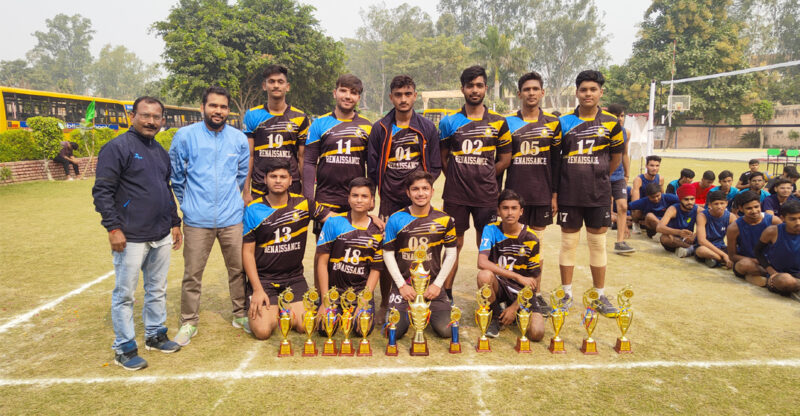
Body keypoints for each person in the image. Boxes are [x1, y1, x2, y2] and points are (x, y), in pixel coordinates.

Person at [92, 96, 183, 371]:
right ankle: (124, 347)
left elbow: (164, 189)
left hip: (160, 233)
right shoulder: (117, 147)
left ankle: (155, 335)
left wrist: (174, 221)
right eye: (145, 115)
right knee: (125, 294)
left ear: (162, 120)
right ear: (133, 115)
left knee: (157, 289)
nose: (151, 121)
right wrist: (113, 227)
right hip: (129, 235)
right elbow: (102, 191)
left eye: (156, 117)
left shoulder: (159, 151)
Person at [169, 86, 251, 346]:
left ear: (229, 110)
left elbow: (240, 175)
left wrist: (229, 201)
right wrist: (189, 206)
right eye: (213, 105)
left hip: (232, 219)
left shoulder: (237, 139)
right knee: (192, 274)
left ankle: (240, 314)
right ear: (202, 107)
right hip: (196, 221)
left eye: (223, 107)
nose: (218, 111)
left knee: (238, 270)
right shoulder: (185, 136)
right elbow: (176, 178)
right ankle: (189, 322)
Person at [366, 75, 440, 321]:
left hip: (417, 202)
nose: (403, 99)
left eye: (408, 94)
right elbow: (373, 167)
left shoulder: (428, 128)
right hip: (389, 201)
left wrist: (419, 193)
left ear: (415, 96)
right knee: (388, 248)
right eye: (398, 95)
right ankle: (386, 302)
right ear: (391, 98)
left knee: (419, 250)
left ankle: (423, 297)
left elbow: (435, 167)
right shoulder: (380, 128)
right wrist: (375, 200)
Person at [551, 70, 622, 316]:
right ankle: (566, 293)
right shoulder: (563, 123)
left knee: (597, 244)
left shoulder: (612, 122)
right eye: (583, 89)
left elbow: (616, 158)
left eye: (593, 89)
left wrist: (599, 174)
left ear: (601, 92)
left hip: (598, 194)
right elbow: (556, 159)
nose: (588, 94)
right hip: (570, 192)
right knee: (569, 243)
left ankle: (599, 296)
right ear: (577, 92)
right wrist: (556, 193)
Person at [439, 65, 511, 303]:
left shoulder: (499, 122)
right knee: (454, 245)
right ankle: (445, 294)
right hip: (456, 195)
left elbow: (506, 158)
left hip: (487, 195)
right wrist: (458, 176)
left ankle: (489, 298)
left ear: (486, 88)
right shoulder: (449, 122)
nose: (474, 90)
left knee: (486, 245)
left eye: (479, 85)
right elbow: (443, 157)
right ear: (463, 89)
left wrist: (487, 174)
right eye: (470, 85)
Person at [242, 159, 331, 340]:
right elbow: (247, 253)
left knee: (305, 326)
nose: (278, 180)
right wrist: (257, 289)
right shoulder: (253, 209)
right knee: (263, 331)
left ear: (291, 180)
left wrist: (369, 219)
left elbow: (336, 220)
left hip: (294, 278)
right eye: (273, 176)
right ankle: (271, 307)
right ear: (265, 179)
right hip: (264, 280)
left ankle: (283, 307)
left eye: (283, 177)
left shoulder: (304, 204)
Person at [503, 71, 561, 305]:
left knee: (536, 247)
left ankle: (534, 293)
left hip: (541, 195)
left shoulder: (553, 124)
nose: (531, 93)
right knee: (512, 246)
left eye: (535, 89)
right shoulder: (508, 123)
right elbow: (503, 158)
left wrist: (554, 195)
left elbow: (557, 162)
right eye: (526, 89)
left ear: (542, 92)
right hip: (514, 196)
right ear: (519, 94)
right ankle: (510, 291)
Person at [383, 171, 457, 339]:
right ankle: (409, 311)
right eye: (415, 189)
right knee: (393, 332)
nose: (421, 193)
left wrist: (438, 284)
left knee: (446, 331)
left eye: (425, 188)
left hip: (432, 287)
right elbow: (387, 254)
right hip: (405, 287)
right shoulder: (396, 219)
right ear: (408, 193)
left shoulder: (445, 219)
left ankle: (427, 312)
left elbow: (451, 253)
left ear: (432, 191)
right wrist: (401, 285)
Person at [303, 74, 372, 235]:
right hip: (326, 200)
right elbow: (309, 162)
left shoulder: (367, 126)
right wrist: (309, 199)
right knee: (323, 252)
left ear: (358, 97)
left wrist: (372, 195)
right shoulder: (319, 123)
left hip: (356, 199)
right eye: (343, 91)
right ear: (335, 93)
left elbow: (373, 166)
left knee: (352, 250)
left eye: (353, 93)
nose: (348, 96)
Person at [316, 177, 382, 336]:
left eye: (364, 196)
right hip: (334, 292)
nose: (359, 200)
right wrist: (325, 300)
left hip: (360, 293)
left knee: (361, 330)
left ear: (372, 200)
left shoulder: (378, 230)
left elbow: (376, 269)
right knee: (324, 329)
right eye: (355, 195)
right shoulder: (334, 223)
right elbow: (322, 263)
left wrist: (365, 300)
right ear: (348, 198)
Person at [476, 189, 545, 340]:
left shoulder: (531, 238)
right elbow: (482, 262)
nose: (509, 213)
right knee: (484, 275)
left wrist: (514, 308)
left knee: (537, 333)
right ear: (498, 211)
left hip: (522, 292)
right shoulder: (490, 229)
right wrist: (517, 276)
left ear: (521, 211)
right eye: (505, 208)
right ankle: (494, 317)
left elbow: (533, 280)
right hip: (500, 285)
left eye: (514, 208)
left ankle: (516, 313)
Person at [243, 64, 310, 202]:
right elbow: (248, 156)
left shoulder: (300, 117)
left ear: (287, 86)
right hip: (260, 186)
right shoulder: (252, 115)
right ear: (264, 85)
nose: (276, 86)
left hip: (291, 186)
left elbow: (303, 158)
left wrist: (305, 190)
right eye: (271, 81)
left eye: (280, 82)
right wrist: (245, 191)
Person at [726, 190, 782, 286]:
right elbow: (732, 256)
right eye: (749, 208)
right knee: (744, 265)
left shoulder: (774, 221)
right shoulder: (734, 228)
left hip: (772, 261)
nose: (754, 211)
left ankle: (761, 278)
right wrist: (759, 261)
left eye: (756, 207)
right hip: (751, 262)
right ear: (741, 209)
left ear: (760, 204)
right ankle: (771, 276)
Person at [755, 200, 800, 301]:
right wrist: (771, 271)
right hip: (779, 274)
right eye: (793, 219)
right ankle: (792, 287)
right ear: (783, 218)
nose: (798, 223)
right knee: (786, 281)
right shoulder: (773, 231)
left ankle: (795, 289)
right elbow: (758, 252)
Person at [606, 103, 634, 253]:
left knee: (623, 206)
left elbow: (624, 154)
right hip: (603, 175)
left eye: (622, 115)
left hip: (618, 176)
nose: (620, 119)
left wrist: (627, 174)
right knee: (603, 212)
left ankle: (620, 241)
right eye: (616, 116)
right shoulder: (603, 132)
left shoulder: (626, 133)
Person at [694, 190, 736, 268]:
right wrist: (724, 255)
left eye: (722, 203)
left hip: (721, 246)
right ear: (710, 205)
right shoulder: (702, 216)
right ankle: (722, 260)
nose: (719, 206)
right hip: (706, 247)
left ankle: (717, 260)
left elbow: (736, 237)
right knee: (701, 250)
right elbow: (702, 241)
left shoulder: (731, 217)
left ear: (726, 203)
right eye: (716, 204)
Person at [656, 184, 698, 257]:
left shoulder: (698, 209)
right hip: (675, 239)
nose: (690, 202)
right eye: (686, 199)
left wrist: (695, 235)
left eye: (692, 199)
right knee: (664, 238)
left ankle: (690, 249)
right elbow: (659, 227)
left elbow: (709, 223)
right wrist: (679, 232)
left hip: (689, 239)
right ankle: (692, 249)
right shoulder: (673, 209)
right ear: (680, 199)